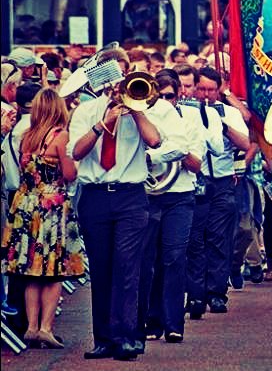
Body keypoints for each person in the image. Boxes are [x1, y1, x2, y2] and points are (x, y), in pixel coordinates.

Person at [67, 47, 172, 360]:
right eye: (111, 74)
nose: (117, 80)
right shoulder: (86, 111)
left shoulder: (141, 107)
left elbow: (155, 140)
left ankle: (126, 337)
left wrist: (135, 110)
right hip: (95, 196)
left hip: (130, 196)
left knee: (127, 267)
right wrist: (102, 124)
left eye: (122, 73)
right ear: (99, 77)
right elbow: (76, 152)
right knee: (101, 269)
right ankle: (104, 339)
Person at [138, 73, 220, 344]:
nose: (164, 101)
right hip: (149, 195)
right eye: (159, 96)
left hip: (180, 195)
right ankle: (152, 319)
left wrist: (173, 147)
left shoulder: (191, 117)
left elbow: (195, 164)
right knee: (149, 259)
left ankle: (174, 323)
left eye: (169, 96)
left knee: (174, 258)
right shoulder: (143, 116)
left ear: (179, 95)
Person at [2, 88, 85, 349]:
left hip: (26, 205)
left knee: (32, 270)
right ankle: (46, 328)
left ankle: (31, 327)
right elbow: (69, 175)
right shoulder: (61, 137)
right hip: (51, 206)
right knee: (54, 270)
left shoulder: (26, 137)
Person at [185, 67, 248, 318]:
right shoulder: (187, 111)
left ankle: (217, 293)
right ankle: (196, 293)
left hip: (222, 181)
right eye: (201, 89)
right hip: (197, 180)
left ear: (219, 90)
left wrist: (220, 125)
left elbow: (245, 143)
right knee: (195, 239)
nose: (205, 94)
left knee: (219, 238)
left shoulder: (230, 112)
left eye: (211, 90)